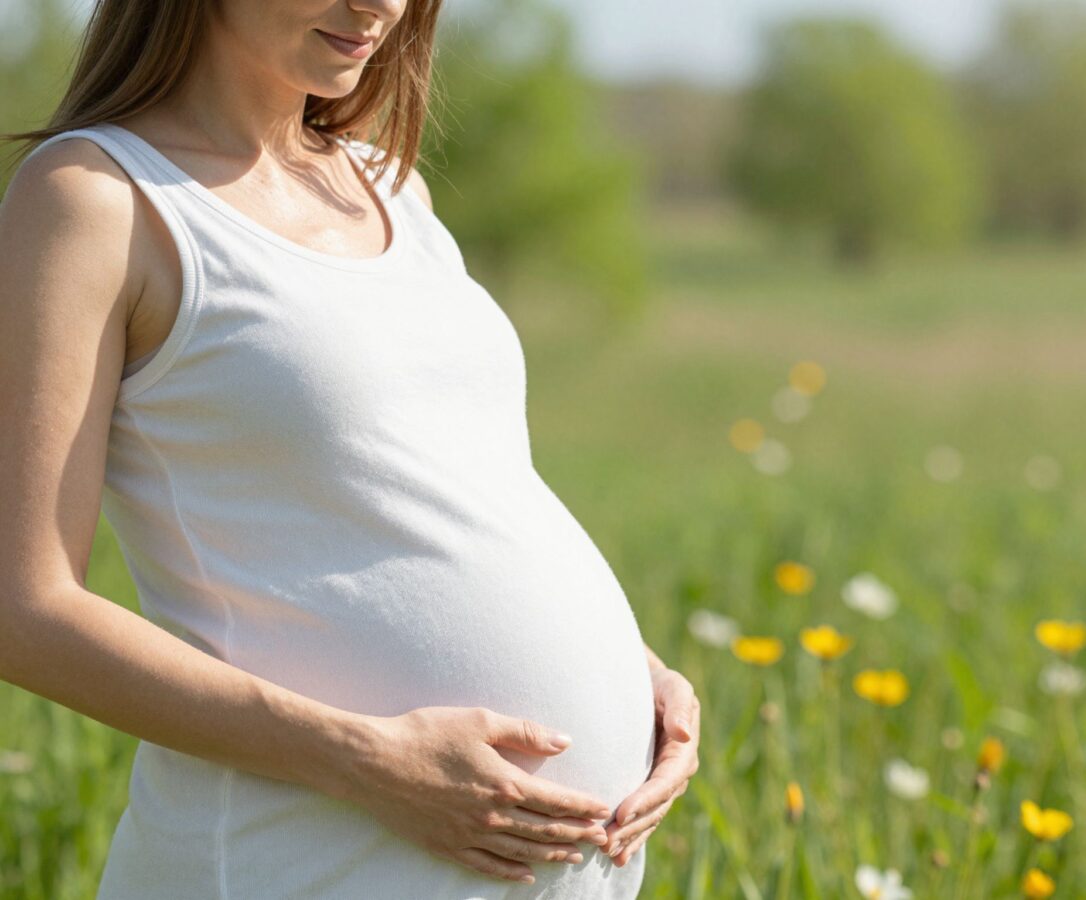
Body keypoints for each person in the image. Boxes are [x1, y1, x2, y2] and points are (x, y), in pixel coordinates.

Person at [0, 0, 701, 896]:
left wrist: (630, 677)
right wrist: (364, 758)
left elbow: (443, 488)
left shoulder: (390, 185)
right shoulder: (94, 199)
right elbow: (25, 612)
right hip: (301, 854)